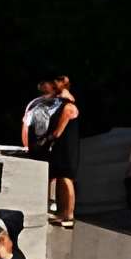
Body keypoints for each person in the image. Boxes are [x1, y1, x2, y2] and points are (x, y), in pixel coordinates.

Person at [44, 75, 81, 225]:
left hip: (67, 145)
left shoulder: (68, 106)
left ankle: (68, 213)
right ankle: (61, 211)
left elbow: (59, 131)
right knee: (60, 177)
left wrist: (48, 139)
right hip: (60, 146)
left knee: (66, 178)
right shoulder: (60, 103)